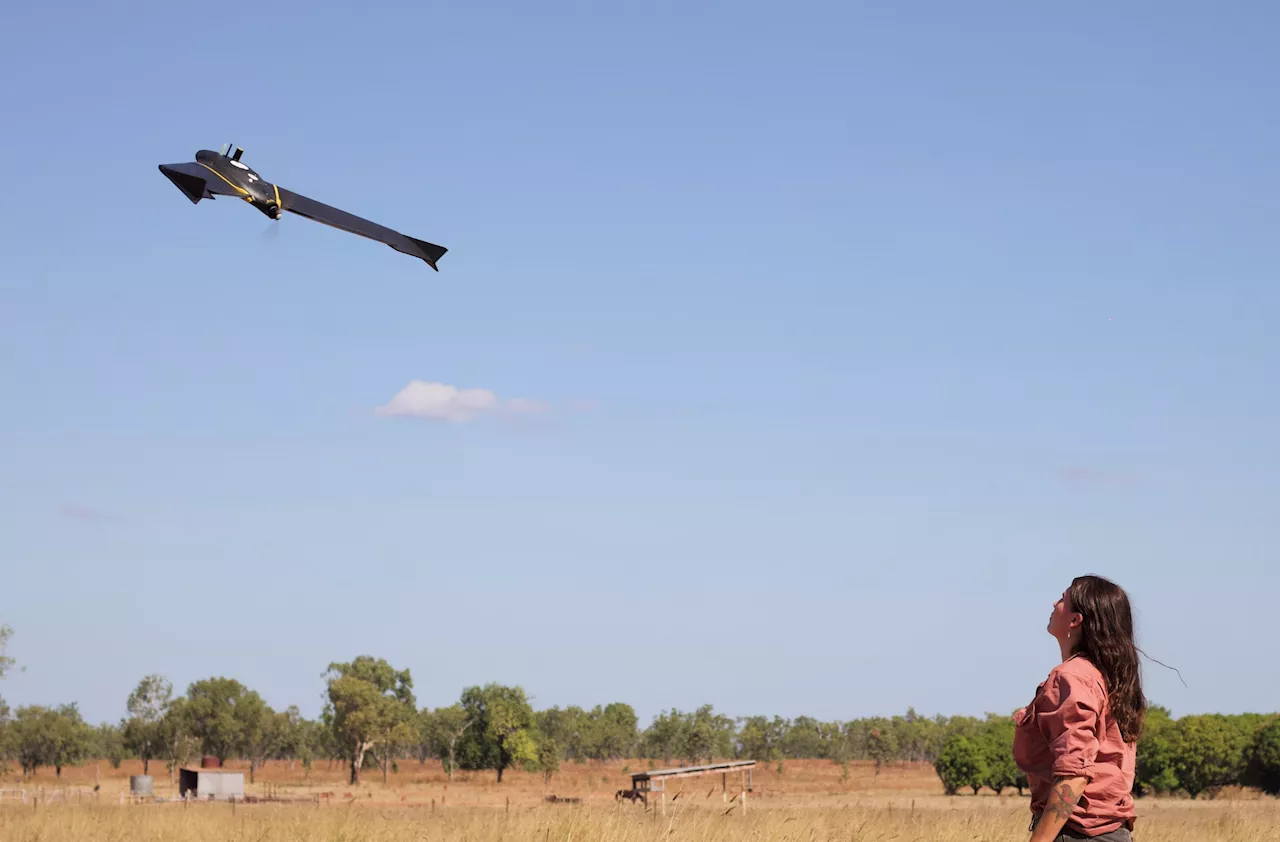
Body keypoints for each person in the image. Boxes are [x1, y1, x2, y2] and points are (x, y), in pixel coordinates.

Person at [1014, 575, 1145, 841]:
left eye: (1063, 599)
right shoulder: (1109, 680)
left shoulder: (1070, 678)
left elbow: (1073, 777)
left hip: (1077, 834)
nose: (1055, 602)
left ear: (1076, 620)